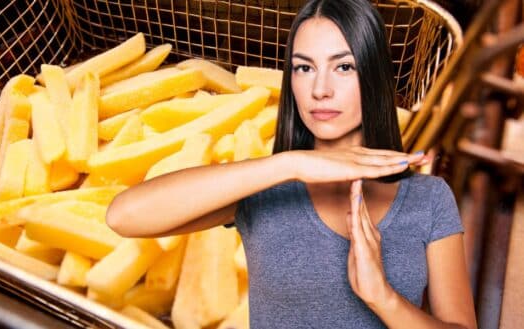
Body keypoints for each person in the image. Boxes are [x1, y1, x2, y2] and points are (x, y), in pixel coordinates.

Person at [105, 0, 477, 327]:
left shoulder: (428, 199)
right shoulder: (267, 190)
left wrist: (383, 297)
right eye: (304, 68)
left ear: (373, 75)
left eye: (343, 67)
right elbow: (124, 215)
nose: (320, 89)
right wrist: (290, 164)